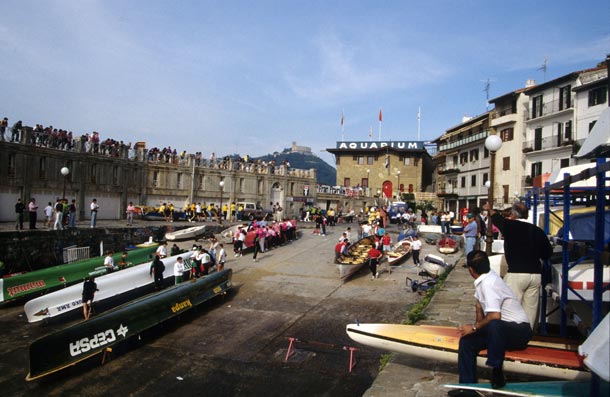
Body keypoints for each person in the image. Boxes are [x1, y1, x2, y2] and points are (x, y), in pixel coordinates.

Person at [452, 250, 532, 395]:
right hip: (500, 332)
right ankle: (467, 388)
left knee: (494, 324)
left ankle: (496, 370)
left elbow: (495, 315)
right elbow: (479, 305)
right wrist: (474, 330)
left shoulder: (489, 283)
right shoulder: (486, 279)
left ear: (471, 270)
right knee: (466, 342)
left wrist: (475, 327)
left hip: (520, 331)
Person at [484, 202, 553, 329]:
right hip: (535, 275)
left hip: (517, 273)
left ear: (513, 214)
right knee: (530, 311)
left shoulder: (510, 225)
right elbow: (548, 253)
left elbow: (496, 217)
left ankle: (511, 336)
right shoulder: (538, 231)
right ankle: (527, 336)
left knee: (510, 308)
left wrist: (489, 209)